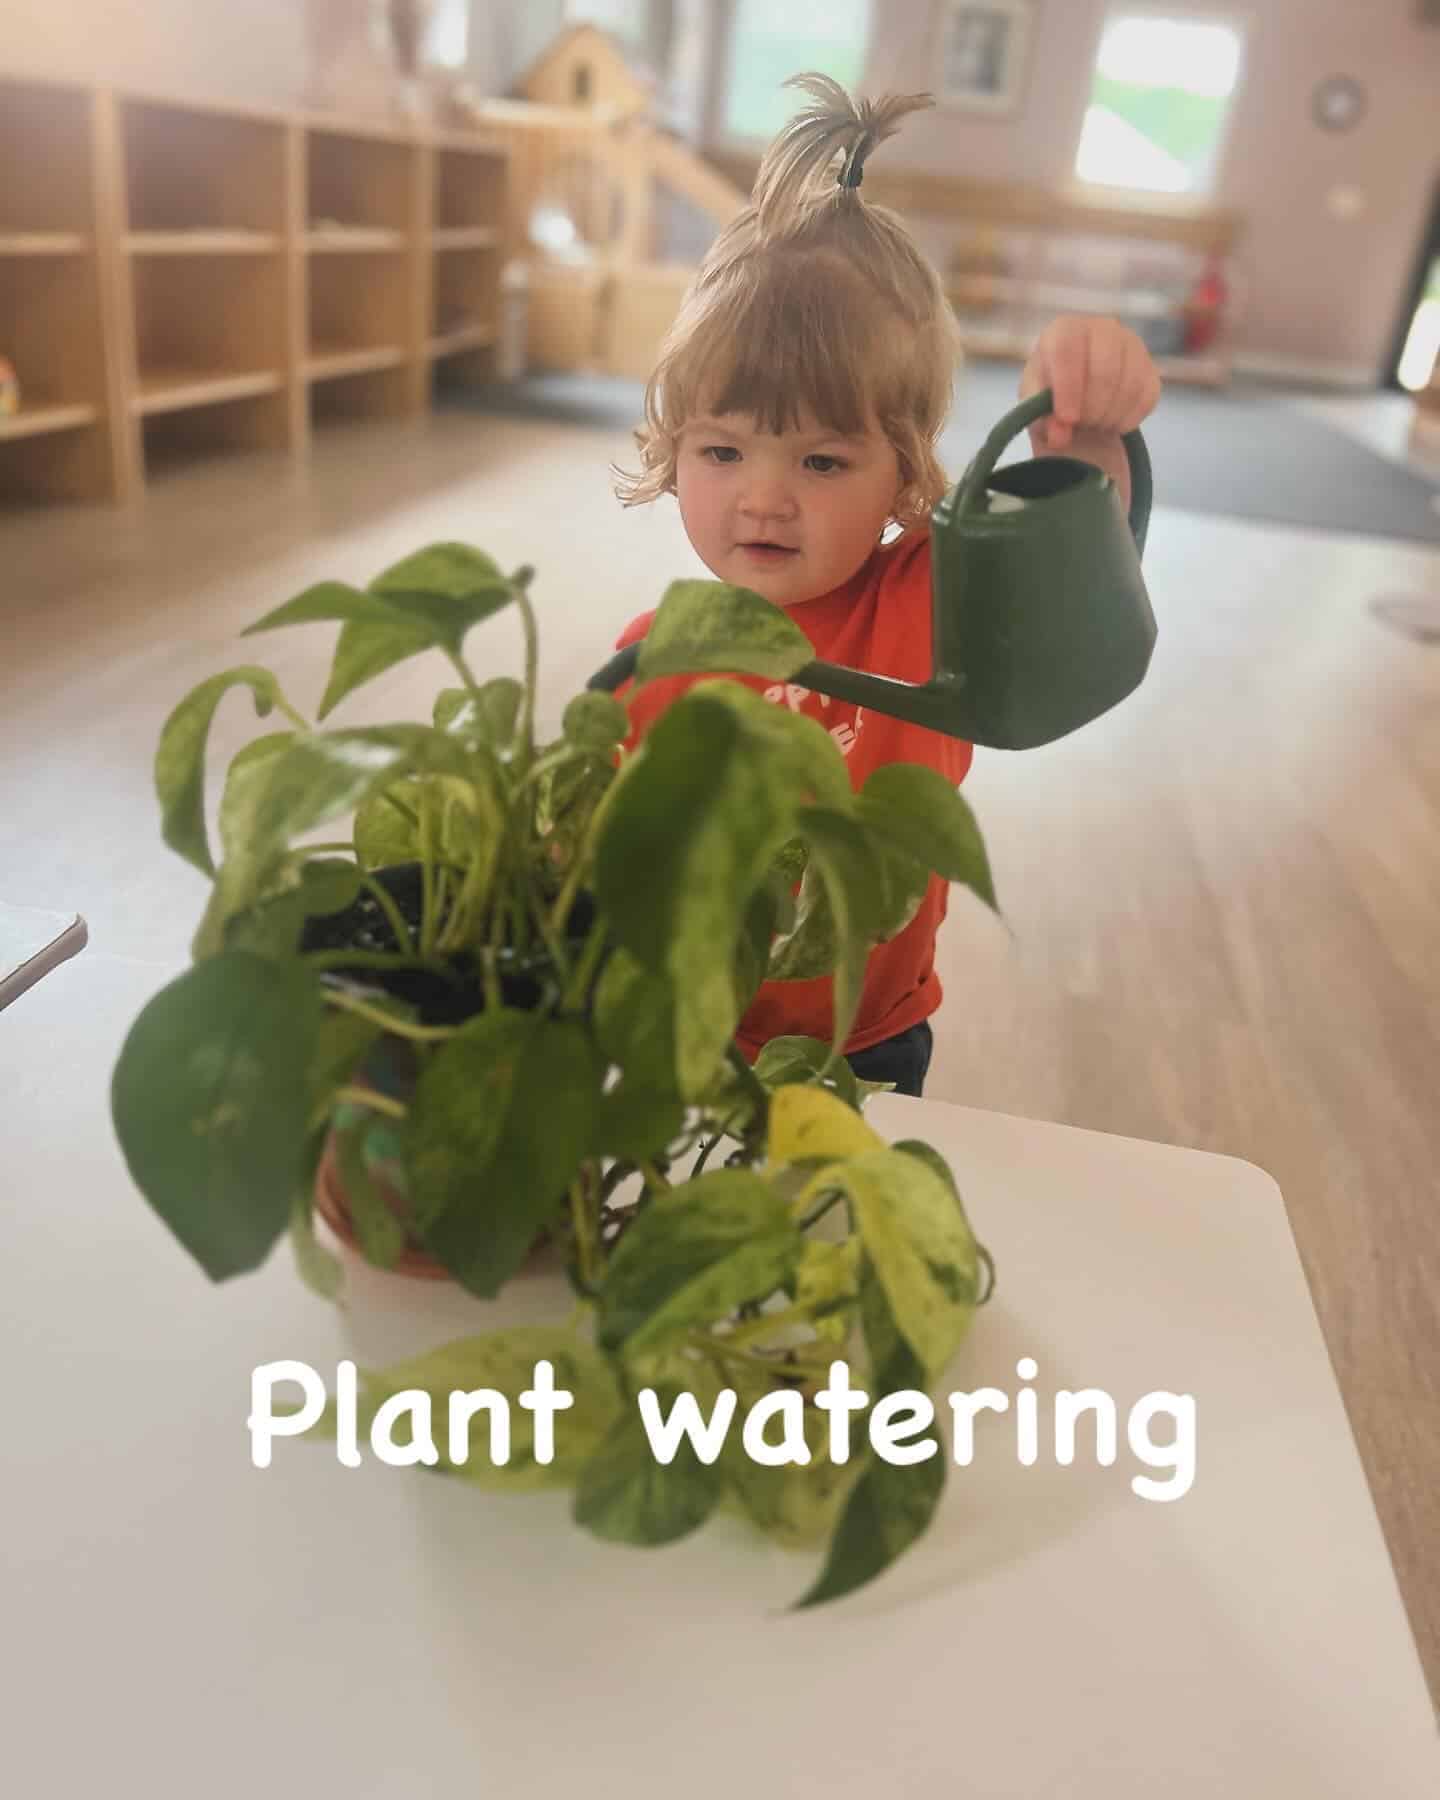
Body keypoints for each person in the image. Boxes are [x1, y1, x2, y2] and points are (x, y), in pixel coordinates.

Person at [611, 72, 1161, 1098]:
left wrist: (1087, 441)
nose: (764, 500)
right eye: (723, 451)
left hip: (863, 1043)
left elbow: (1071, 577)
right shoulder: (653, 652)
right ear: (671, 448)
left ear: (906, 473)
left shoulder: (924, 602)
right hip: (687, 1036)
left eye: (821, 463)